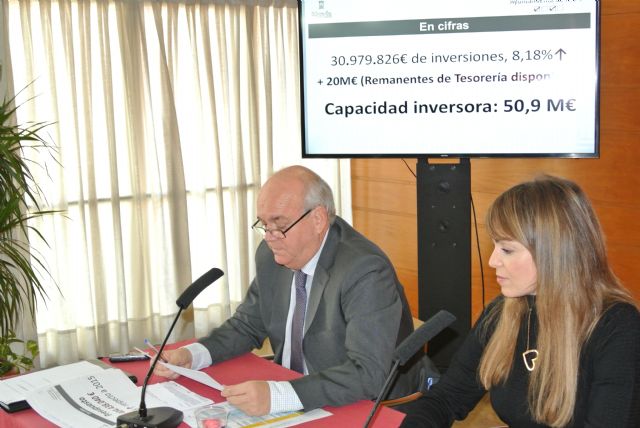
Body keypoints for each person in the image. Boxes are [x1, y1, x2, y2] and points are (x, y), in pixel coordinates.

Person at [155, 165, 416, 416]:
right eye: (264, 224)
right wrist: (194, 355)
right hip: (293, 395)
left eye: (279, 225)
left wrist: (280, 395)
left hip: (362, 405)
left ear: (318, 219)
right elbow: (246, 326)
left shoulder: (364, 270)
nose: (269, 236)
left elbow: (367, 373)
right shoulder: (272, 256)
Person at [400, 175, 640, 427]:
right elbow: (446, 398)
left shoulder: (617, 327)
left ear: (553, 253)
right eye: (495, 246)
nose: (492, 261)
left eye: (507, 249)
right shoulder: (502, 312)